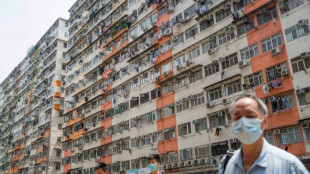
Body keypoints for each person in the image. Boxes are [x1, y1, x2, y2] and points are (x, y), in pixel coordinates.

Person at [219, 94, 309, 174]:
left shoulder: (289, 165)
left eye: (250, 116)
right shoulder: (226, 163)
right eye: (237, 117)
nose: (243, 122)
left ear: (264, 121)